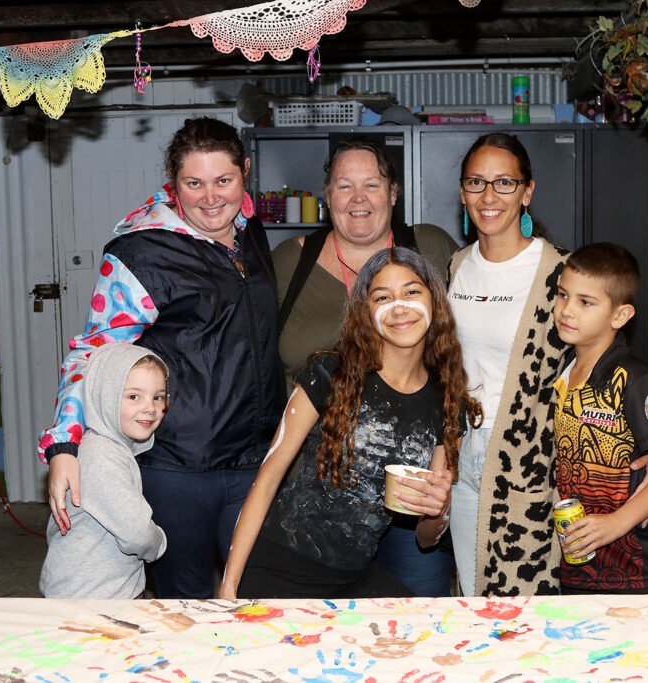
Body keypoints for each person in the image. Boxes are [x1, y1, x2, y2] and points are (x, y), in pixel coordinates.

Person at [38, 117, 281, 599]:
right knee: (183, 607)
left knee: (256, 598)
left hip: (254, 461)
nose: (211, 198)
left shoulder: (249, 229)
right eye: (194, 183)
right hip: (178, 468)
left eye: (223, 181)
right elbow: (93, 352)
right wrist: (64, 447)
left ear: (245, 173)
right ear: (173, 184)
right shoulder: (142, 251)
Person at [447, 133, 648, 597]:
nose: (489, 196)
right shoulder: (455, 266)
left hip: (532, 463)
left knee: (524, 605)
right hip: (461, 451)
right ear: (462, 192)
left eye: (505, 182)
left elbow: (606, 364)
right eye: (476, 182)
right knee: (471, 596)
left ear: (527, 191)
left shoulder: (560, 274)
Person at [218, 247, 482, 600]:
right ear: (365, 311)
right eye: (382, 297)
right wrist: (229, 584)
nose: (399, 307)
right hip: (277, 564)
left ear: (434, 301)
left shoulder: (449, 402)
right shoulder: (330, 373)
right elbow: (267, 480)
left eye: (412, 292)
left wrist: (439, 507)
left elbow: (426, 536)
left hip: (352, 579)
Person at [272, 139, 459, 597]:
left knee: (416, 627)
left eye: (371, 185)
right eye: (344, 186)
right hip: (314, 497)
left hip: (408, 491)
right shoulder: (289, 263)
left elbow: (487, 332)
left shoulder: (430, 248)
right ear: (327, 196)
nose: (358, 198)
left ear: (393, 193)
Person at [552, 243, 648, 594]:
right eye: (562, 295)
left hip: (638, 567)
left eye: (585, 302)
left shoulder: (634, 379)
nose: (566, 310)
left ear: (619, 317)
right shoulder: (566, 371)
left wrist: (617, 523)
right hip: (581, 562)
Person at [39, 343, 168, 599]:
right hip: (90, 598)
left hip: (105, 588)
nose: (150, 408)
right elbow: (137, 533)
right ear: (105, 396)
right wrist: (159, 543)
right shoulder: (100, 455)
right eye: (133, 396)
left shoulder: (111, 448)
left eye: (158, 396)